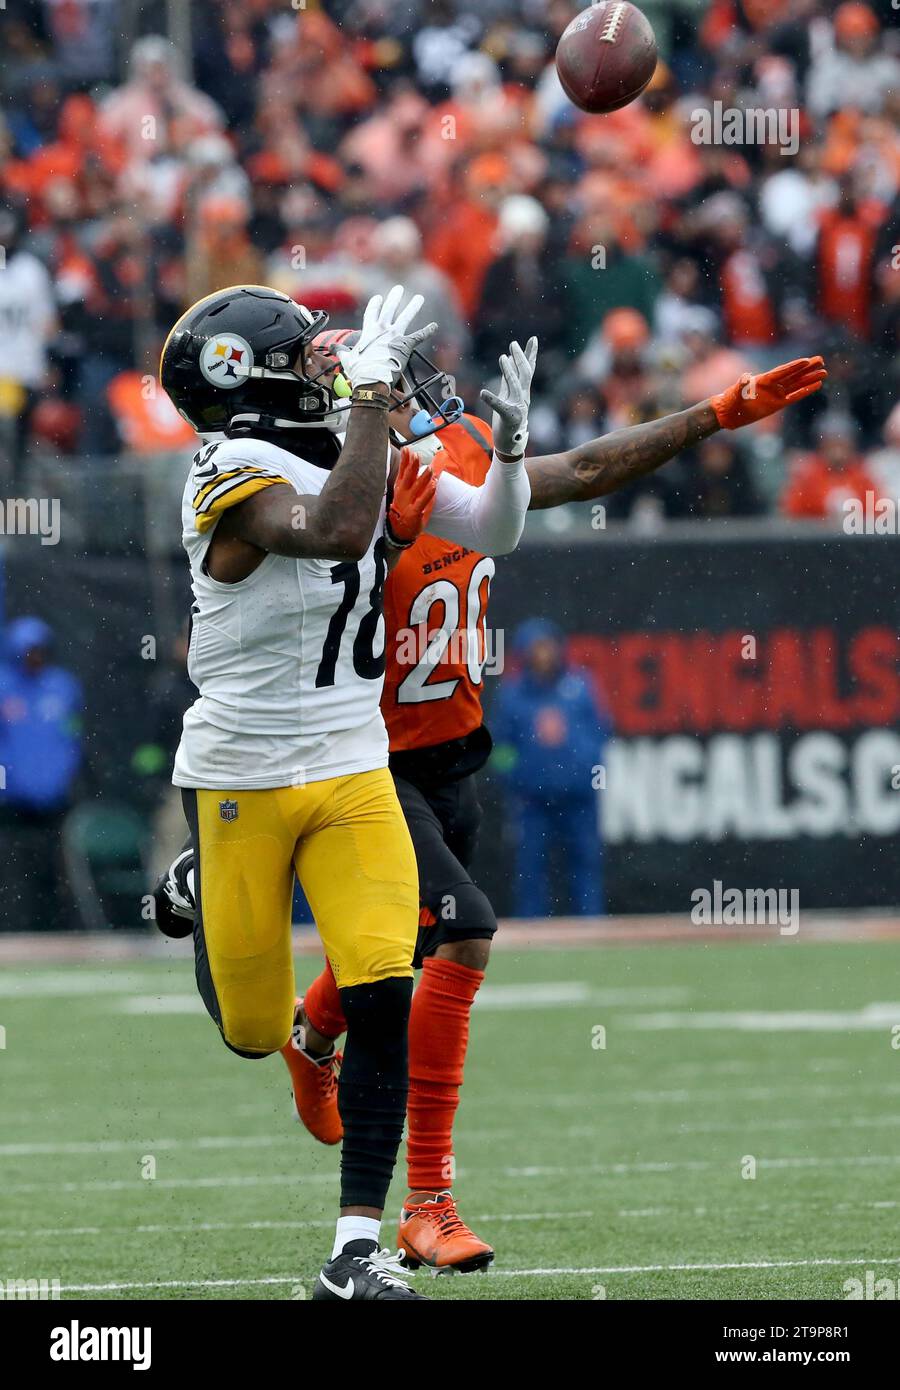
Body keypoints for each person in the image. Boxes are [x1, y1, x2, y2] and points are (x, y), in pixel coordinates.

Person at [155, 340, 828, 1273]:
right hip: (361, 756)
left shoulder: (455, 449)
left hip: (450, 751)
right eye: (375, 371)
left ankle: (315, 1034)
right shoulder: (318, 471)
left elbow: (580, 468)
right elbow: (280, 565)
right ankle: (425, 1199)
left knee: (412, 952)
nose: (417, 388)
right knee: (466, 929)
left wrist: (712, 415)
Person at [155, 281, 532, 1301]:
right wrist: (369, 405)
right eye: (304, 359)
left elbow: (491, 529)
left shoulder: (359, 442)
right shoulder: (228, 466)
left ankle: (355, 1248)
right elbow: (331, 528)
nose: (325, 370)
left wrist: (508, 453)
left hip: (354, 761)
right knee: (251, 1028)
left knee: (380, 988)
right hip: (244, 773)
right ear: (252, 375)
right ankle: (201, 883)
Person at [492, 619, 610, 918]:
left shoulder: (580, 685)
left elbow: (601, 731)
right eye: (535, 648)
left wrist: (588, 771)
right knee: (531, 872)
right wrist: (517, 780)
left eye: (547, 646)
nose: (543, 654)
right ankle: (532, 940)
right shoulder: (512, 694)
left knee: (585, 867)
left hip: (579, 800)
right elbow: (500, 748)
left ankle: (591, 931)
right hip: (533, 803)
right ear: (524, 653)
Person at [0, 618, 82, 931]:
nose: (34, 656)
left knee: (54, 867)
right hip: (11, 803)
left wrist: (65, 775)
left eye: (39, 650)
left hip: (54, 800)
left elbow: (71, 736)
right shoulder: (4, 686)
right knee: (13, 869)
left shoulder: (62, 686)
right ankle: (14, 928)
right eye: (27, 650)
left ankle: (56, 928)